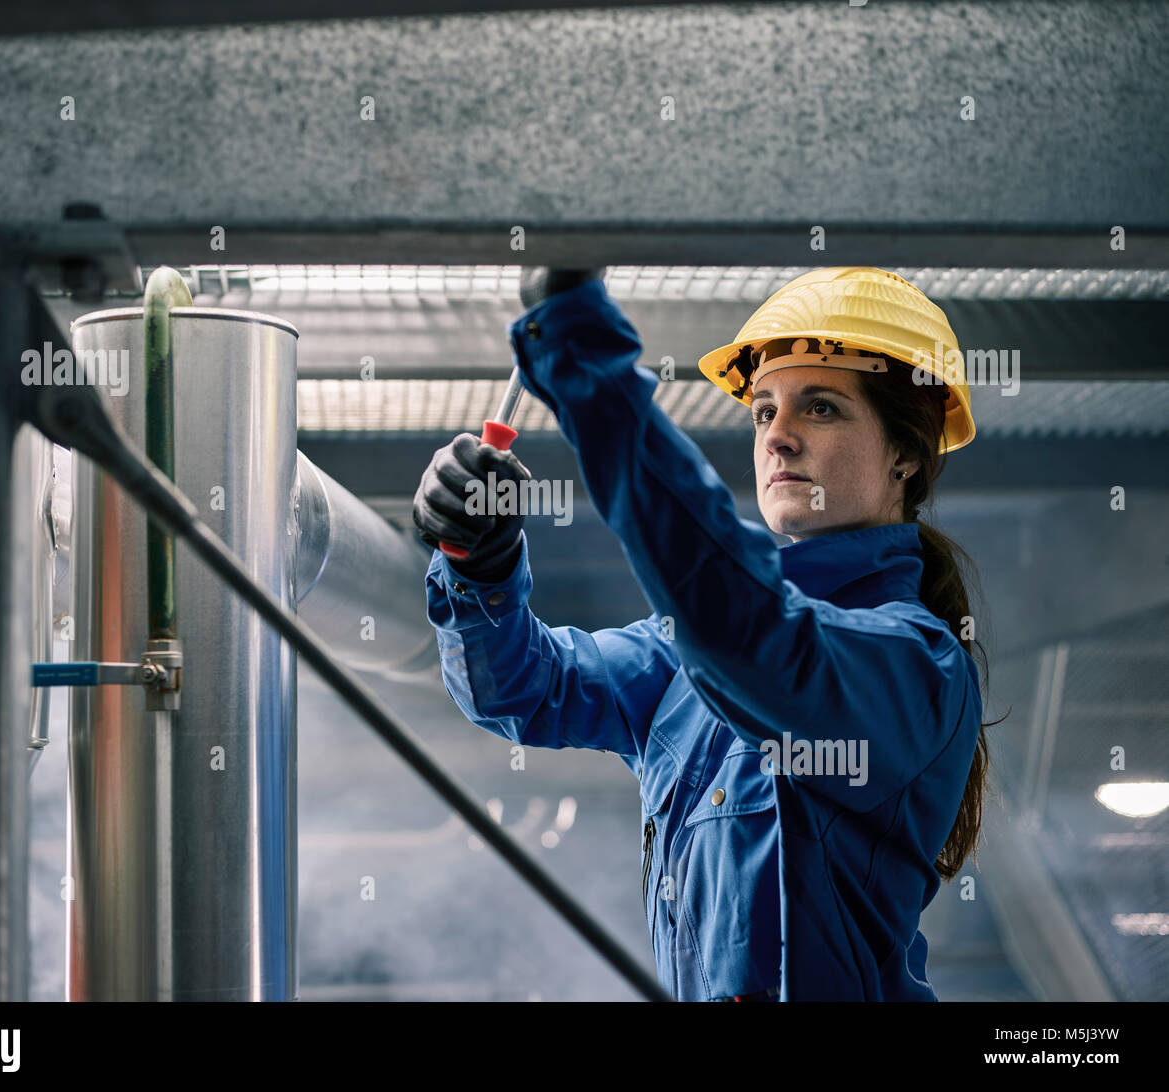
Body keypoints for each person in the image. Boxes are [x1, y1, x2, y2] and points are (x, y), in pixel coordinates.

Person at [412, 266, 1001, 1001]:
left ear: (905, 455)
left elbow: (744, 629)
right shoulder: (679, 655)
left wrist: (581, 351)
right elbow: (525, 689)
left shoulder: (917, 667)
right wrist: (481, 563)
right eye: (762, 412)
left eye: (820, 408)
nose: (778, 437)